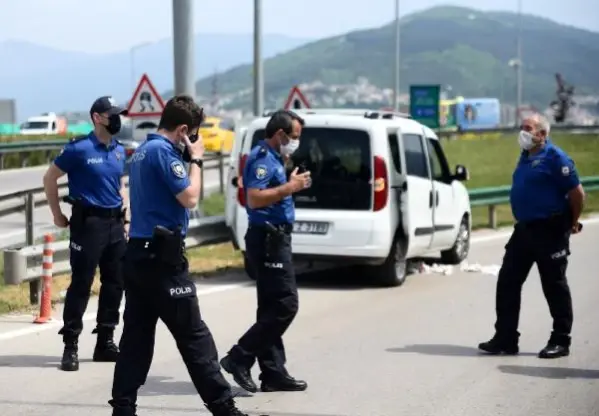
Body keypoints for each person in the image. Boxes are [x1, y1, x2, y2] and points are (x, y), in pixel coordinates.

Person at [109, 95, 249, 416]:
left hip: (139, 255)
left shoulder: (143, 151)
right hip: (163, 260)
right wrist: (196, 159)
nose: (195, 141)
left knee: (136, 338)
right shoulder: (163, 152)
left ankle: (123, 407)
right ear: (184, 129)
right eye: (194, 134)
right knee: (194, 336)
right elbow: (190, 197)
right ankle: (224, 408)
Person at [478, 113, 585, 359]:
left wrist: (571, 222)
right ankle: (505, 338)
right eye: (522, 127)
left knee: (554, 285)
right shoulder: (525, 156)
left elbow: (578, 194)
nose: (523, 132)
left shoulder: (556, 158)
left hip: (551, 229)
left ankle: (560, 340)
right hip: (524, 230)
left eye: (529, 128)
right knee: (507, 281)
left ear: (542, 134)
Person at [219, 110, 311, 393]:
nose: (296, 142)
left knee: (271, 307)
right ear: (280, 134)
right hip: (268, 240)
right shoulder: (261, 158)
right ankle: (239, 357)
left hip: (276, 238)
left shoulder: (274, 158)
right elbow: (254, 199)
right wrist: (290, 187)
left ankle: (273, 372)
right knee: (285, 304)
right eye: (293, 137)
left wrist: (287, 180)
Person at [43, 96, 129, 372]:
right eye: (111, 114)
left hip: (115, 224)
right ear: (96, 117)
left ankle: (105, 340)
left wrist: (126, 218)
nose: (117, 119)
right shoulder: (79, 148)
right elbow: (49, 177)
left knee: (115, 283)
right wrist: (57, 214)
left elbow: (120, 184)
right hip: (88, 223)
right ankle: (71, 344)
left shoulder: (118, 150)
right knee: (81, 283)